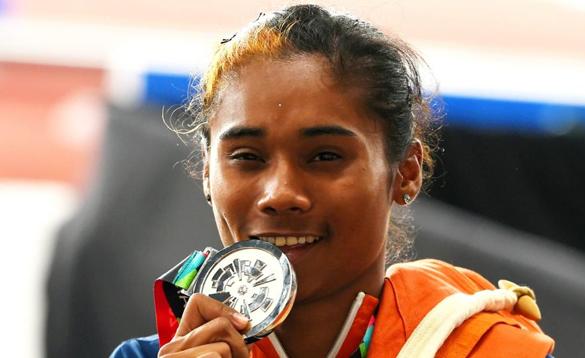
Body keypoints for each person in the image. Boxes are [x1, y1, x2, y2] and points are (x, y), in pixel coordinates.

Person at [112, 4, 554, 357]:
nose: (280, 193)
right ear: (209, 171)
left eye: (325, 156)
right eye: (246, 157)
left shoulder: (489, 349)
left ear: (405, 172)